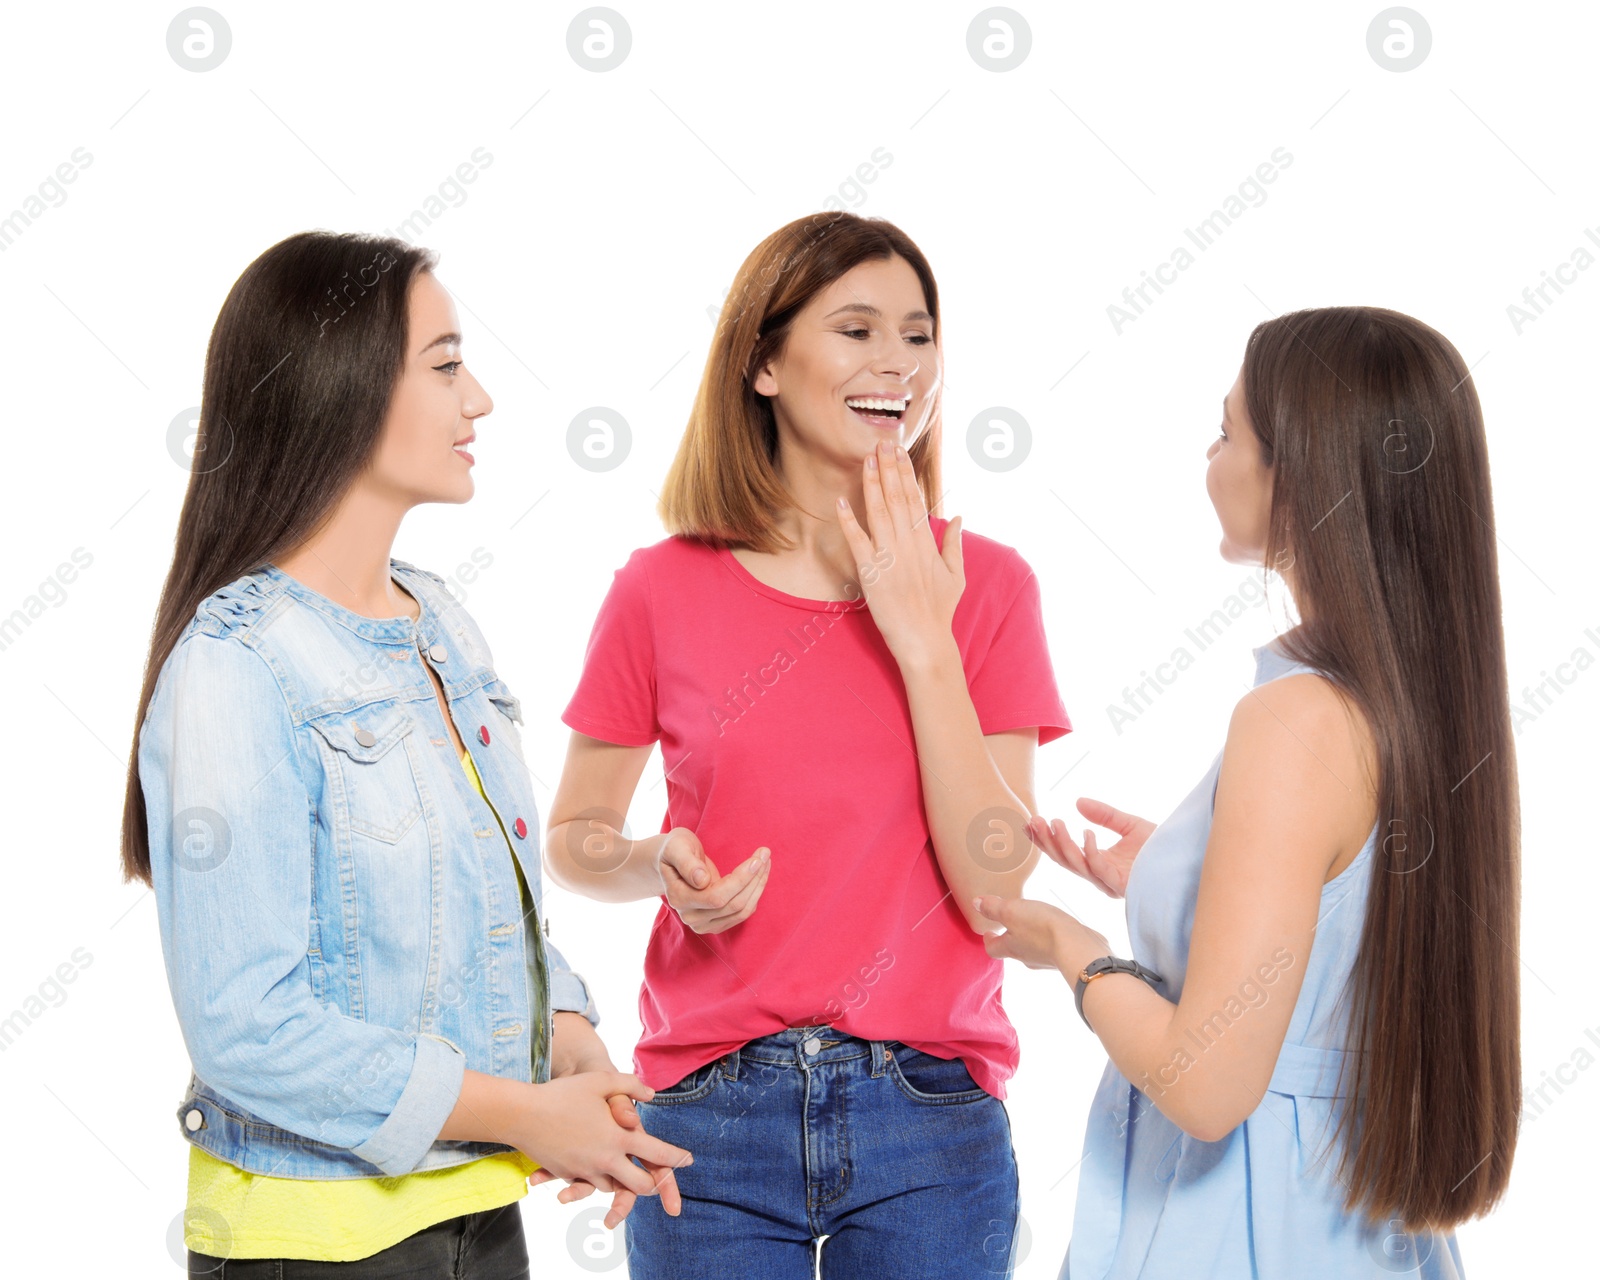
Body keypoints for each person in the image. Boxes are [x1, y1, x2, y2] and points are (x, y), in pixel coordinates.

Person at [122, 230, 689, 1277]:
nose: (479, 400)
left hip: (476, 1210)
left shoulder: (440, 620)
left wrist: (575, 1052)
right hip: (319, 1240)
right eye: (444, 363)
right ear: (337, 385)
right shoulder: (235, 664)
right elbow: (246, 1026)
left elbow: (476, 909)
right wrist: (527, 1110)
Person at [538, 210, 1072, 1278]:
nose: (897, 365)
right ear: (765, 363)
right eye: (857, 330)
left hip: (929, 1112)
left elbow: (996, 891)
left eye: (917, 335)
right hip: (709, 1114)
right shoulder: (661, 587)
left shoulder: (988, 586)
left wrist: (923, 640)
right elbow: (571, 835)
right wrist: (653, 865)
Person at [976, 306, 1521, 1278]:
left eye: (1228, 429)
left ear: (1300, 471)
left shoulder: (1294, 720)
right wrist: (1179, 874)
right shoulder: (1415, 703)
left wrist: (1076, 950)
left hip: (1240, 1229)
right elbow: (1334, 926)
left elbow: (1206, 1080)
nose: (1211, 453)